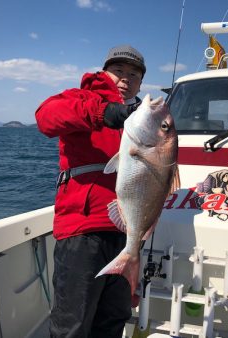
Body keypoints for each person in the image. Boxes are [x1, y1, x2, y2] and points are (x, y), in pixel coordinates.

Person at [35, 45, 146, 338]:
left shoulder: (143, 119)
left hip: (126, 234)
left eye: (133, 74)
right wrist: (104, 111)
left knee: (113, 319)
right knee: (73, 323)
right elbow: (46, 117)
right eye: (118, 71)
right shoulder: (80, 98)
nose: (125, 79)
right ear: (104, 72)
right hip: (83, 229)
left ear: (141, 82)